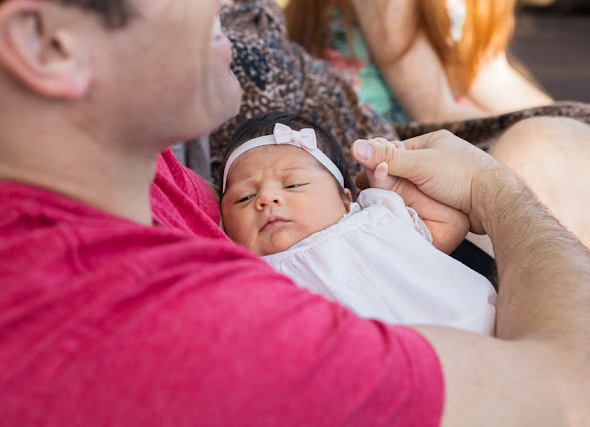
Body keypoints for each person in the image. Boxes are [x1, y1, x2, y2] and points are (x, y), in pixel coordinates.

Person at [0, 1, 590, 426]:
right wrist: (497, 196)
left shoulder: (128, 181)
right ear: (47, 42)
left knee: (557, 140)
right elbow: (572, 392)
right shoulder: (161, 327)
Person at [212, 0, 590, 255]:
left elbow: (489, 76)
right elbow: (432, 104)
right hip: (392, 134)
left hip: (436, 118)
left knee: (566, 137)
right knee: (554, 151)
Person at [220, 112, 497, 334]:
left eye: (293, 184)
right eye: (244, 197)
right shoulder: (252, 281)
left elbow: (451, 224)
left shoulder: (376, 217)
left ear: (345, 200)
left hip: (476, 327)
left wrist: (397, 189)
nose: (266, 198)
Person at [283, 0, 553, 123]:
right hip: (378, 143)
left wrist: (574, 122)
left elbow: (488, 76)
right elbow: (433, 112)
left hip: (447, 125)